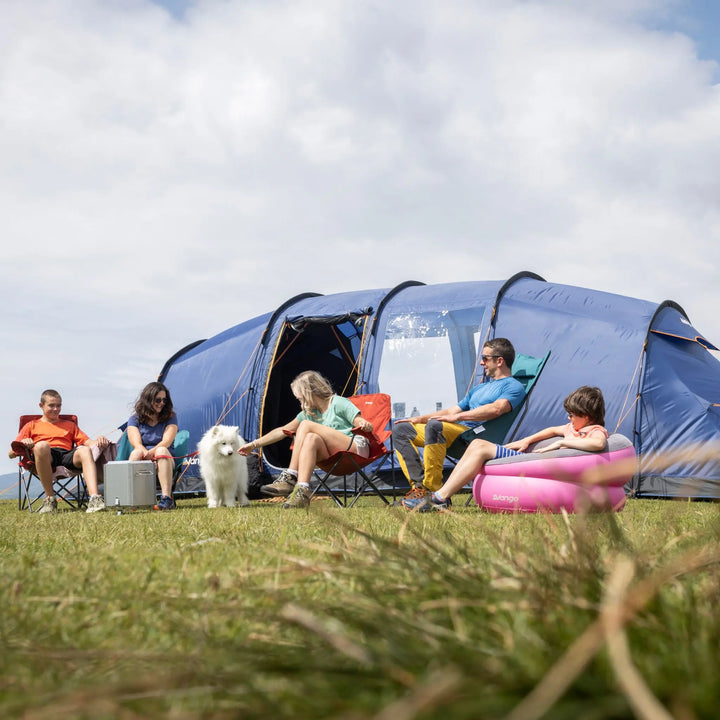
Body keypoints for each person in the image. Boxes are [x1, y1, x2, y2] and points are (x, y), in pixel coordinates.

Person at [401, 385, 608, 512]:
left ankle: (439, 498)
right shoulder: (571, 427)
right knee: (476, 445)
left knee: (480, 447)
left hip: (537, 465)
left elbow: (598, 444)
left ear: (587, 415)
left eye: (572, 414)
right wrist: (527, 440)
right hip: (531, 461)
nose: (569, 419)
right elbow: (552, 430)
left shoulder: (594, 430)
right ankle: (440, 496)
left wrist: (563, 443)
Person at [392, 337, 526, 501]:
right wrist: (419, 419)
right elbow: (451, 410)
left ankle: (433, 491)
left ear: (499, 361)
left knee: (435, 426)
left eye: (485, 358)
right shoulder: (479, 388)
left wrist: (456, 417)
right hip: (457, 434)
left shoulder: (513, 386)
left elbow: (497, 408)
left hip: (476, 436)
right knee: (401, 430)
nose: (481, 363)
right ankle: (419, 489)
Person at [238, 370, 373, 509]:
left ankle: (290, 476)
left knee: (306, 426)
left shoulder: (338, 402)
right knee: (311, 438)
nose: (299, 401)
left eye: (300, 397)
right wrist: (254, 444)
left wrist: (363, 423)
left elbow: (359, 421)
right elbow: (282, 430)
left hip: (356, 449)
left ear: (309, 392)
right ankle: (302, 490)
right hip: (335, 456)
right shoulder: (309, 413)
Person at [9, 389, 110, 514]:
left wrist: (100, 439)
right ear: (41, 406)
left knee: (84, 450)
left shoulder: (69, 425)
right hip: (45, 457)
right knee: (42, 445)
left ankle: (95, 499)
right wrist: (25, 444)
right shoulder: (31, 425)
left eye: (59, 405)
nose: (56, 409)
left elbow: (90, 443)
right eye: (51, 405)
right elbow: (11, 453)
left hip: (66, 455)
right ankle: (50, 500)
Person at [126, 381, 178, 511]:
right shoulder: (134, 419)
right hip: (143, 456)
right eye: (158, 400)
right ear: (149, 399)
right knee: (136, 452)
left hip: (164, 458)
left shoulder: (170, 417)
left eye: (164, 400)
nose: (162, 403)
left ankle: (166, 499)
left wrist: (153, 455)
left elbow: (167, 441)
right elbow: (136, 443)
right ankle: (132, 499)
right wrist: (147, 456)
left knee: (161, 449)